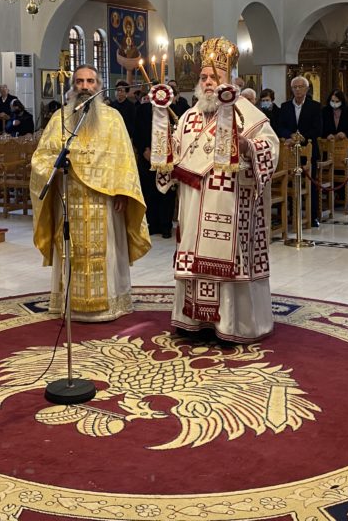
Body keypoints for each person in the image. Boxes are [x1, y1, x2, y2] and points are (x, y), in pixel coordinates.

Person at [156, 37, 280, 342]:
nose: (208, 82)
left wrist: (248, 147)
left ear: (230, 80)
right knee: (194, 255)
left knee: (228, 258)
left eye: (214, 76)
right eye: (204, 77)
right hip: (193, 204)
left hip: (232, 203)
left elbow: (271, 148)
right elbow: (175, 153)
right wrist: (163, 140)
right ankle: (193, 320)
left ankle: (231, 325)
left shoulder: (248, 114)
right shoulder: (188, 117)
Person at [30, 64, 150, 321]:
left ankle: (111, 304)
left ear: (99, 86)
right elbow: (41, 157)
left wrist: (123, 192)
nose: (85, 86)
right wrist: (54, 166)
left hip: (105, 200)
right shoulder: (60, 118)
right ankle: (70, 304)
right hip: (68, 197)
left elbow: (125, 160)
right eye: (80, 81)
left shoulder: (113, 118)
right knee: (70, 250)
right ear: (73, 86)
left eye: (90, 81)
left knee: (107, 252)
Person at [277, 75, 324, 224]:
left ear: (307, 88)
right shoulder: (285, 106)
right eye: (295, 87)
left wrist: (301, 138)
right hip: (290, 150)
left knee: (311, 182)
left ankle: (312, 215)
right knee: (290, 181)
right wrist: (289, 135)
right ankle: (291, 214)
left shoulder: (315, 106)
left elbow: (318, 129)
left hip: (309, 150)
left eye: (300, 87)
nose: (297, 90)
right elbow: (279, 126)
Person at [132, 90, 175, 238]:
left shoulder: (172, 109)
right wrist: (144, 149)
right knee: (149, 191)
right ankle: (153, 223)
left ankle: (166, 225)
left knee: (166, 191)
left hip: (168, 159)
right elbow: (136, 131)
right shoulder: (143, 110)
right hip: (147, 157)